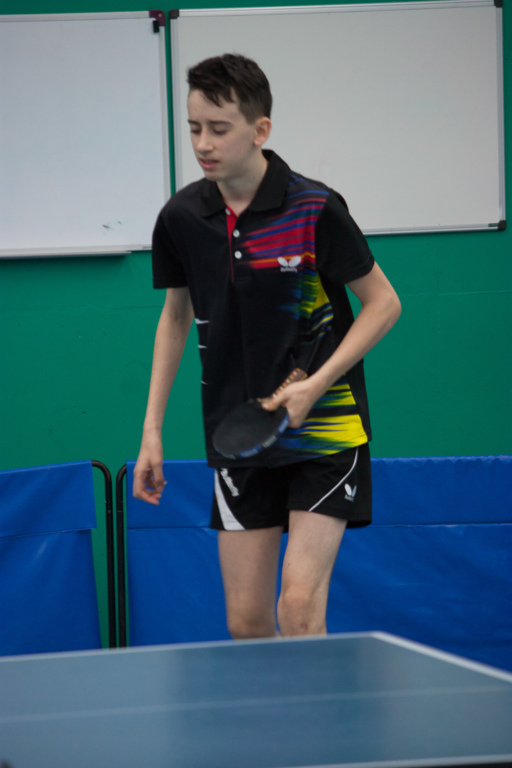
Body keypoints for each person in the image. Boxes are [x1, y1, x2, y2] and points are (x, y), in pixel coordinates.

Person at [133, 53, 401, 639]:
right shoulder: (181, 217)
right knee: (247, 623)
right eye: (194, 128)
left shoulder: (313, 207)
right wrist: (152, 430)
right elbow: (175, 317)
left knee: (298, 609)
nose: (203, 144)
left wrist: (317, 384)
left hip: (324, 426)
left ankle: (316, 705)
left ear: (260, 130)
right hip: (238, 432)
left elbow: (384, 304)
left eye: (218, 129)